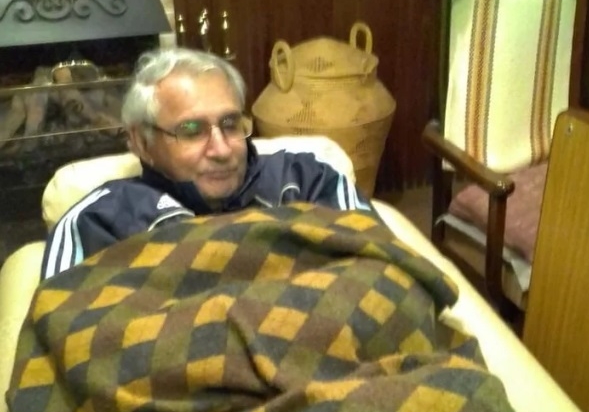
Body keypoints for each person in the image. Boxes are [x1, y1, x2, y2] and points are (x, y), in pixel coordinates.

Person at [41, 47, 372, 279]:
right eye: (192, 130)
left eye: (230, 124)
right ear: (142, 142)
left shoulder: (307, 180)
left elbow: (380, 270)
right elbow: (64, 330)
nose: (222, 149)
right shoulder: (100, 221)